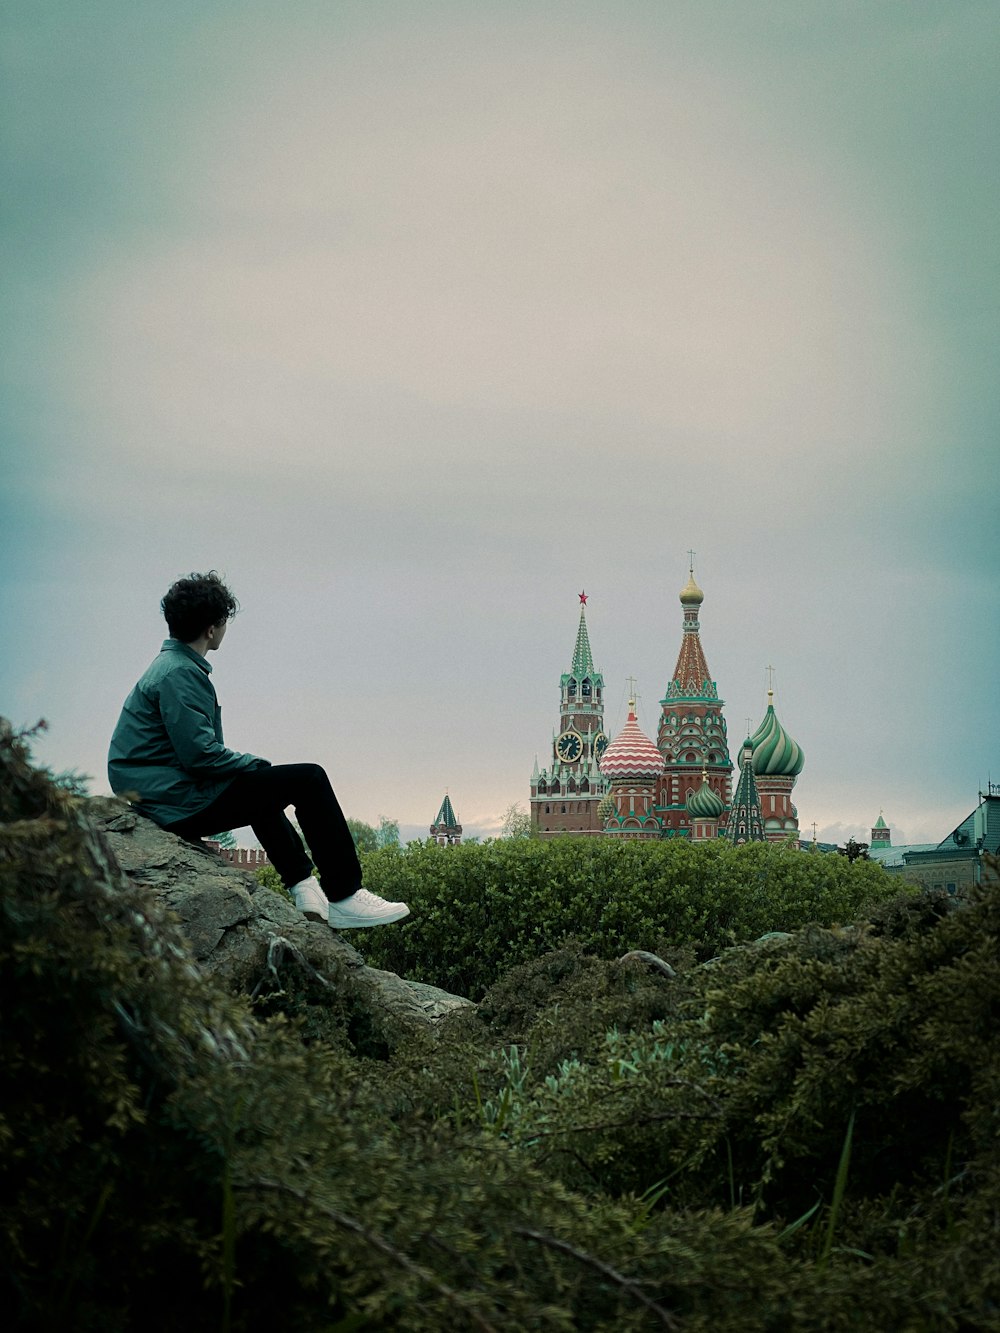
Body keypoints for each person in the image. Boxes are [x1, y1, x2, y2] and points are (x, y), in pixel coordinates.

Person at [108, 571, 408, 929]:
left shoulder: (172, 668)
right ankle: (345, 895)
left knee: (257, 791)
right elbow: (200, 755)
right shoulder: (178, 674)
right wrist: (253, 762)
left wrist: (248, 771)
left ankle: (305, 889)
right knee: (309, 778)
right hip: (174, 800)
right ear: (212, 628)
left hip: (166, 793)